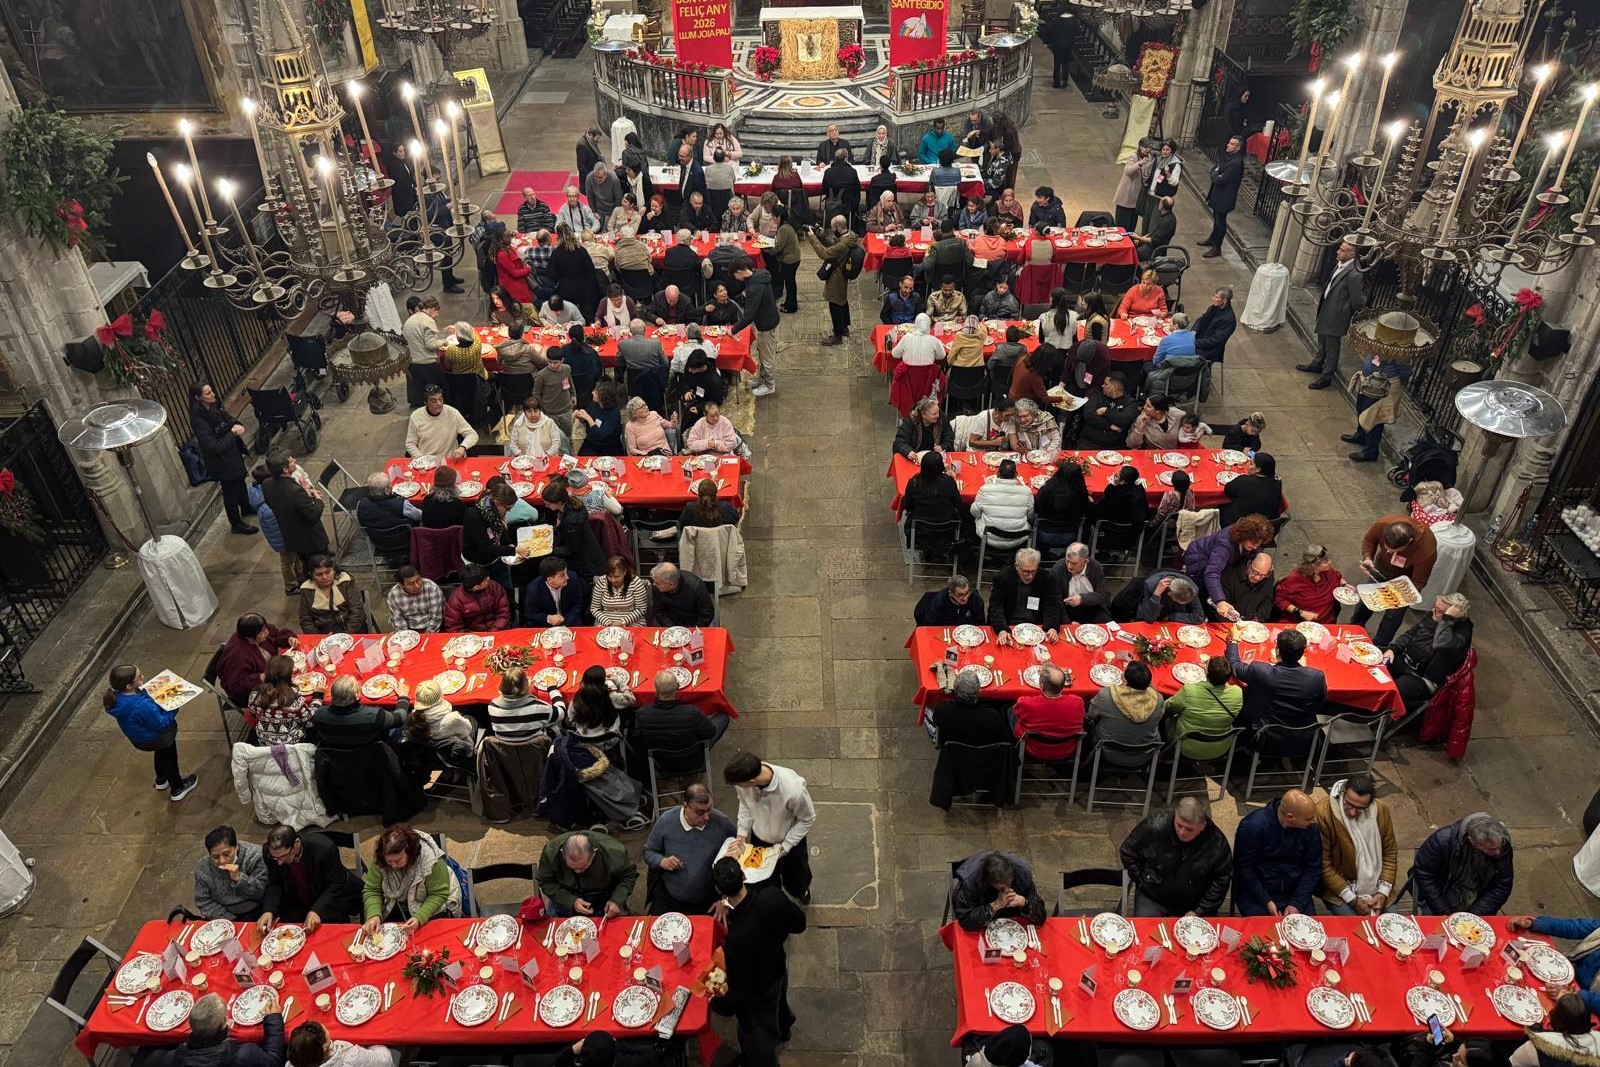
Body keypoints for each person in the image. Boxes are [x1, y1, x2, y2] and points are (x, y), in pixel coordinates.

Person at [710, 856, 806, 1067]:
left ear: (719, 891)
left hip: (757, 994)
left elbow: (739, 989)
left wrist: (718, 1004)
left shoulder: (736, 939)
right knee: (780, 1005)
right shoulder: (772, 896)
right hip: (778, 970)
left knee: (757, 1041)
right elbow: (799, 923)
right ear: (744, 876)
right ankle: (784, 1029)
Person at [724, 751, 816, 903]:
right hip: (759, 839)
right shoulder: (743, 782)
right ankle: (775, 900)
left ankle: (801, 892)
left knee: (796, 877)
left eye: (739, 785)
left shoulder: (793, 790)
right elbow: (745, 804)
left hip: (789, 842)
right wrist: (741, 836)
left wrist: (785, 846)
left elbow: (807, 819)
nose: (737, 787)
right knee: (765, 881)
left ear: (752, 781)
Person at [1118, 797, 1233, 916]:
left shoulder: (1217, 843)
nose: (1182, 832)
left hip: (1195, 902)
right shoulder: (1155, 825)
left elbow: (1221, 881)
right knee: (1144, 929)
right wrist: (1143, 881)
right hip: (1154, 896)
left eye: (1189, 829)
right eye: (1179, 825)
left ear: (1202, 827)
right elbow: (1128, 851)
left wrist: (1200, 911)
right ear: (1175, 815)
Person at [1227, 627, 1327, 756]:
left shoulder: (1261, 671)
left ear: (1277, 650)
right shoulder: (1316, 677)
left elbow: (1234, 664)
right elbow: (1319, 705)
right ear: (1304, 652)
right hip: (1303, 737)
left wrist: (1234, 640)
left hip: (1266, 736)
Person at [643, 783, 735, 915]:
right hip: (669, 899)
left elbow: (740, 859)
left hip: (710, 901)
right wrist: (662, 861)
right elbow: (648, 851)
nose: (707, 817)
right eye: (700, 812)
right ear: (685, 805)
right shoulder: (666, 821)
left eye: (709, 810)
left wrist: (726, 899)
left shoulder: (723, 823)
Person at [1314, 774, 1398, 915]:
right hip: (1340, 889)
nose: (1353, 812)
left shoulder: (1381, 810)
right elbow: (1324, 865)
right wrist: (1353, 900)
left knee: (1393, 926)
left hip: (1377, 885)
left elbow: (1389, 853)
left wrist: (1382, 893)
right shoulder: (1324, 813)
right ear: (1342, 793)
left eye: (1360, 809)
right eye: (1349, 805)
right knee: (1356, 928)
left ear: (1370, 804)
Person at [258, 824, 362, 933]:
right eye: (276, 858)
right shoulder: (270, 854)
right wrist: (269, 910)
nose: (279, 862)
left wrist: (317, 910)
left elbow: (336, 883)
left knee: (330, 934)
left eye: (284, 856)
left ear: (297, 844)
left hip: (326, 898)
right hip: (296, 900)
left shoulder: (324, 849)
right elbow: (275, 883)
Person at [1232, 788, 1321, 915]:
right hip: (1257, 891)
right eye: (1308, 819)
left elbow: (1313, 868)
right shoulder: (1253, 826)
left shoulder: (1310, 829)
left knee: (1306, 930)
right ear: (1290, 817)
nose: (1313, 822)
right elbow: (1244, 868)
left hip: (1295, 891)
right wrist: (1266, 901)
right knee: (1261, 931)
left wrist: (1297, 902)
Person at [360, 823, 461, 935]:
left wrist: (419, 917)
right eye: (389, 861)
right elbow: (372, 890)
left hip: (429, 906)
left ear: (410, 853)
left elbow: (439, 894)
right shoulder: (381, 859)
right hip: (396, 904)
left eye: (398, 861)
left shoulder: (431, 861)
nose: (393, 866)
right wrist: (374, 914)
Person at [1353, 514, 1438, 645]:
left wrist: (1397, 598)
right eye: (1386, 547)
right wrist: (1367, 557)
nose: (1388, 551)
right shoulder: (1383, 523)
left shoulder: (1426, 549)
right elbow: (1369, 540)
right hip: (1381, 567)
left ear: (1409, 541)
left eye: (1394, 550)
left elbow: (1419, 582)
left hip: (1405, 581)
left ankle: (1380, 644)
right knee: (1366, 599)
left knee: (1393, 614)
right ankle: (1355, 628)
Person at [141, 990, 284, 1067]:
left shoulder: (171, 1058)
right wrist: (274, 1019)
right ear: (223, 1023)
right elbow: (274, 1062)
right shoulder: (244, 1054)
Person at [188, 382, 257, 535]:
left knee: (240, 482)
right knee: (230, 492)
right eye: (208, 393)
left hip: (233, 455)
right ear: (198, 398)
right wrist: (233, 434)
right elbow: (213, 446)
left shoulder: (215, 405)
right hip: (222, 462)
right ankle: (236, 523)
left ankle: (246, 508)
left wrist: (237, 425)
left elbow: (228, 419)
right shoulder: (198, 420)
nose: (213, 394)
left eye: (211, 391)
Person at [1384, 593, 1473, 711]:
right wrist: (1393, 649)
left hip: (1424, 679)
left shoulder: (1462, 633)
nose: (1433, 611)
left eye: (1439, 611)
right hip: (1407, 661)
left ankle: (1380, 716)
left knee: (1396, 690)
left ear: (1453, 616)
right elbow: (1411, 633)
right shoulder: (1434, 615)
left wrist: (1446, 620)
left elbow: (1441, 644)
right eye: (1434, 607)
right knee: (1375, 663)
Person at [1413, 813, 1514, 915]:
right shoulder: (1442, 840)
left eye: (1499, 846)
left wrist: (1474, 914)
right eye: (1491, 849)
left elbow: (1503, 885)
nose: (1498, 852)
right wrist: (1444, 911)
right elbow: (1424, 874)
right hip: (1443, 893)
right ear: (1472, 841)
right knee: (1433, 927)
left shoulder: (1503, 846)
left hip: (1480, 897)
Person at [1300, 240, 1367, 389]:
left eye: (1342, 250)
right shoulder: (1340, 263)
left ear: (1352, 254)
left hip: (1336, 314)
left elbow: (1357, 300)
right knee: (1322, 339)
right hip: (1327, 308)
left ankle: (1326, 377)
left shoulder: (1355, 274)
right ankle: (1317, 363)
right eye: (1339, 249)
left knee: (1331, 347)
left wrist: (1342, 311)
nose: (1338, 251)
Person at [632, 667, 731, 769]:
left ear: (656, 690)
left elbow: (638, 739)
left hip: (662, 763)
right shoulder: (691, 712)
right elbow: (710, 732)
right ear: (677, 688)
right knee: (723, 718)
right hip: (693, 759)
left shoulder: (642, 713)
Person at [1183, 515, 1275, 618]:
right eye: (1253, 542)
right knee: (1202, 592)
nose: (1255, 546)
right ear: (1244, 536)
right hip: (1199, 562)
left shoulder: (1250, 539)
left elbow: (1257, 552)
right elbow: (1212, 573)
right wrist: (1220, 600)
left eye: (1259, 543)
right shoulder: (1224, 545)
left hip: (1217, 561)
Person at [538, 830, 638, 917]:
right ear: (562, 853)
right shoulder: (551, 853)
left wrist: (617, 899)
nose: (578, 871)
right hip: (564, 897)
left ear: (594, 853)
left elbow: (628, 876)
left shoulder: (614, 853)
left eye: (583, 867)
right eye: (572, 868)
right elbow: (545, 882)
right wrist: (571, 901)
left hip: (604, 898)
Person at [1086, 660, 1165, 764]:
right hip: (1144, 754)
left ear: (1125, 679)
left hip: (1108, 752)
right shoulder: (1158, 699)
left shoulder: (1107, 695)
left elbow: (1090, 715)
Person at [1164, 656, 1243, 758]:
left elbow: (1168, 707)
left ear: (1207, 673)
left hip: (1187, 747)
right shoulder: (1237, 692)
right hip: (1220, 747)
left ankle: (1166, 756)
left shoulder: (1190, 691)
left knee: (1167, 720)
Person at [261, 450, 329, 568]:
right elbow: (313, 515)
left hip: (293, 537)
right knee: (320, 567)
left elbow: (275, 503)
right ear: (285, 469)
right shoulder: (295, 490)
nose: (295, 461)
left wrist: (304, 497)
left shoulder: (266, 484)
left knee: (306, 564)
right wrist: (318, 500)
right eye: (291, 461)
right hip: (311, 540)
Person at [215, 612, 298, 706]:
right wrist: (260, 677)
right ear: (249, 637)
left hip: (271, 672)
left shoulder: (260, 631)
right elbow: (237, 686)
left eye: (265, 628)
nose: (267, 632)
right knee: (292, 693)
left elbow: (276, 634)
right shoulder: (237, 656)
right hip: (251, 692)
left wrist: (288, 638)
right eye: (262, 632)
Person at [1344, 351, 1413, 463]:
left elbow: (1405, 371)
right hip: (1368, 380)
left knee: (1374, 417)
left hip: (1382, 385)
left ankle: (1370, 451)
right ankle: (1361, 435)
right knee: (1361, 407)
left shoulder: (1399, 349)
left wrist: (1391, 383)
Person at [951, 851, 1048, 929]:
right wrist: (995, 906)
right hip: (984, 921)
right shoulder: (971, 881)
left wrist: (1025, 903)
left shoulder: (1022, 874)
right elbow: (965, 920)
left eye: (1009, 884)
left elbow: (1041, 916)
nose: (1007, 891)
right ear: (990, 882)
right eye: (1002, 888)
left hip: (1014, 922)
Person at [312, 674, 407, 752]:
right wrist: (403, 696)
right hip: (372, 757)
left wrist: (318, 696)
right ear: (357, 696)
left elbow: (313, 712)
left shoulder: (319, 716)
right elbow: (400, 718)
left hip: (338, 761)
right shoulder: (374, 716)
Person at [806, 215, 861, 347]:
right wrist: (821, 236)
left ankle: (837, 335)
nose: (832, 230)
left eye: (833, 228)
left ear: (838, 228)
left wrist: (812, 237)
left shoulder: (843, 245)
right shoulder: (850, 236)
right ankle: (844, 327)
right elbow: (833, 246)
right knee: (842, 300)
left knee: (835, 304)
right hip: (843, 274)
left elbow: (824, 253)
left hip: (837, 276)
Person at [1010, 665, 1086, 761]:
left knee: (1009, 710)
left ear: (1041, 686)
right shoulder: (1078, 702)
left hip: (1034, 750)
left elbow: (1016, 711)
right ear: (1063, 687)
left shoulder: (1027, 704)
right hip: (1066, 750)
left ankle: (1009, 750)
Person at [730, 260, 782, 397]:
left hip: (766, 324)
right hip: (768, 319)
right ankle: (763, 379)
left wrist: (733, 330)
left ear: (740, 272)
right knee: (762, 353)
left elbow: (748, 316)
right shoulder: (760, 274)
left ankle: (770, 385)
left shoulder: (753, 287)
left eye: (735, 275)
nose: (736, 279)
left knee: (767, 356)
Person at [194, 825, 268, 921]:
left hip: (257, 908)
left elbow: (261, 891)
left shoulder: (255, 856)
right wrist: (229, 920)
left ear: (236, 847)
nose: (222, 861)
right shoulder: (203, 867)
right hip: (224, 914)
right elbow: (203, 901)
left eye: (226, 854)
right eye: (215, 857)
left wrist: (239, 878)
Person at [988, 550, 1064, 642]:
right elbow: (996, 607)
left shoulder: (1046, 578)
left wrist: (1051, 627)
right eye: (1026, 572)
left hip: (1036, 627)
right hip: (1009, 626)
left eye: (1033, 571)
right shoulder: (1002, 578)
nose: (1030, 576)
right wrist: (1002, 629)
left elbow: (1052, 604)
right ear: (1017, 567)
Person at [245, 656, 316, 746]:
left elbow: (253, 712)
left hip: (264, 743)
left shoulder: (255, 693)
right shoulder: (293, 699)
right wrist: (318, 698)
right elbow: (310, 722)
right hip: (291, 745)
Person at [1275, 544, 1349, 624]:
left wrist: (1344, 585)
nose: (1330, 562)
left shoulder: (1328, 571)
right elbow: (1280, 600)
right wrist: (1300, 612)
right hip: (1300, 623)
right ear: (1313, 565)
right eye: (1325, 562)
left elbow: (1338, 577)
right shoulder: (1294, 578)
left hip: (1326, 623)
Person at [486, 666, 560, 742]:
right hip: (537, 749)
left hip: (507, 751)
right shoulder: (539, 708)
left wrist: (525, 689)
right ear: (525, 687)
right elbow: (561, 713)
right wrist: (552, 688)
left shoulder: (492, 707)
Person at [296, 553, 365, 635]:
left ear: (334, 570)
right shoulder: (306, 590)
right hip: (323, 635)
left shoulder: (346, 582)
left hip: (351, 631)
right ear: (311, 574)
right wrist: (318, 638)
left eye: (328, 572)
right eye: (319, 574)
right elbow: (306, 620)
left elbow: (357, 612)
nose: (324, 577)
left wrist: (346, 634)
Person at [971, 458, 1034, 546]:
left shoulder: (985, 490)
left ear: (997, 474)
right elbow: (1029, 515)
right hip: (1017, 538)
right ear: (1016, 474)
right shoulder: (1027, 492)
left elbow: (974, 513)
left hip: (989, 537)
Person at [405, 386, 478, 459]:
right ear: (425, 402)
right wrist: (421, 459)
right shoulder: (416, 416)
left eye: (440, 399)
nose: (439, 403)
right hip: (426, 459)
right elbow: (410, 444)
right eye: (433, 401)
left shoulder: (452, 413)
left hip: (450, 459)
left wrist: (462, 447)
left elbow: (472, 434)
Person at [284, 1020, 396, 1067]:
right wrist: (372, 1041)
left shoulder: (292, 1063)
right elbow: (386, 1060)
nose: (328, 1030)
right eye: (326, 1030)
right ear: (324, 1047)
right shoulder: (351, 1056)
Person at [1201, 136, 1245, 256]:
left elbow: (1220, 179)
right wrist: (1216, 173)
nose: (1228, 145)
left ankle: (1217, 247)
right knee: (1216, 219)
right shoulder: (1228, 156)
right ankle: (1212, 238)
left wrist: (1216, 174)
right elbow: (1215, 169)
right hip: (1218, 195)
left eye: (1231, 144)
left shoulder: (1236, 163)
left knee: (1221, 222)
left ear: (1238, 147)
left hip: (1225, 198)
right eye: (1229, 143)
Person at [1033, 465, 1091, 551]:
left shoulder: (1048, 489)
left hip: (1044, 534)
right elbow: (1086, 513)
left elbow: (1036, 507)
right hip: (1070, 535)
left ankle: (1043, 553)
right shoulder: (1081, 493)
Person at [402, 295, 447, 404]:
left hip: (412, 361)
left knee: (419, 390)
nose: (437, 315)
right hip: (426, 362)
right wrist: (444, 342)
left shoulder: (411, 319)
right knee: (437, 389)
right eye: (436, 312)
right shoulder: (428, 321)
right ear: (432, 309)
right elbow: (431, 344)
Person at [518, 555, 583, 628]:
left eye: (566, 572)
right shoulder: (533, 589)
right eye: (562, 575)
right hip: (546, 625)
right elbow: (530, 613)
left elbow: (577, 604)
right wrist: (548, 618)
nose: (567, 577)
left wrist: (567, 623)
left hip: (569, 620)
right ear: (549, 579)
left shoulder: (573, 578)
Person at [1077, 373, 1139, 448]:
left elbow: (1125, 420)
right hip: (1089, 443)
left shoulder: (1130, 402)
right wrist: (1109, 425)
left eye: (1106, 384)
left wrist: (1105, 411)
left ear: (1114, 387)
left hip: (1115, 447)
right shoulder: (1097, 396)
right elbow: (1088, 414)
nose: (1102, 386)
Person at [1122, 570, 1204, 624]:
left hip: (1174, 623)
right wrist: (1156, 595)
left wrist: (1170, 617)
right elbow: (1149, 618)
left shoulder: (1191, 589)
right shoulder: (1151, 585)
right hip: (1156, 619)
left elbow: (1199, 617)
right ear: (1170, 595)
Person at [590, 555, 651, 627]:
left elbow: (641, 609)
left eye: (616, 576)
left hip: (633, 622)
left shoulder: (635, 582)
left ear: (625, 572)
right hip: (605, 622)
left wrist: (623, 622)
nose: (613, 580)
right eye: (609, 576)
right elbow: (594, 608)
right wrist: (608, 623)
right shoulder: (601, 582)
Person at [649, 562, 715, 626]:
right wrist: (673, 629)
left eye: (657, 583)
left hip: (694, 622)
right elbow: (659, 611)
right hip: (670, 622)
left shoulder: (696, 586)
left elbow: (707, 614)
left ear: (671, 584)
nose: (654, 584)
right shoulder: (658, 586)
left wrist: (694, 630)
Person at [1218, 552, 1276, 624]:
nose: (1257, 578)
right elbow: (1222, 605)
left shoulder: (1268, 577)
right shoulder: (1230, 575)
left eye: (1262, 575)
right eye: (1255, 572)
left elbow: (1267, 601)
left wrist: (1256, 620)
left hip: (1252, 622)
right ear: (1249, 564)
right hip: (1229, 621)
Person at [385, 566, 444, 633]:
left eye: (418, 580)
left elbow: (436, 618)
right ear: (401, 585)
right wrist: (406, 636)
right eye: (410, 584)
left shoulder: (432, 588)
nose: (417, 585)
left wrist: (427, 635)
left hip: (430, 627)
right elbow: (398, 621)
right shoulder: (393, 595)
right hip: (408, 628)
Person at [914, 575, 986, 628]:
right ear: (950, 593)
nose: (965, 598)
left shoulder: (976, 599)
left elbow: (981, 625)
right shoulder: (939, 602)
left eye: (967, 593)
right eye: (960, 595)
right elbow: (931, 627)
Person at [1193, 286, 1237, 364]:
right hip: (1200, 341)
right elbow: (1201, 320)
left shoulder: (1229, 320)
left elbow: (1215, 341)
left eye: (1216, 297)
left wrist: (1194, 342)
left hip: (1210, 350)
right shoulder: (1213, 307)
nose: (1213, 299)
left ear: (1224, 300)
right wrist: (1192, 332)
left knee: (1181, 352)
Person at [1113, 145, 1151, 232]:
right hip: (1126, 197)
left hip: (1136, 198)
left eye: (1150, 148)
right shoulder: (1133, 156)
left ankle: (1130, 242)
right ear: (1140, 147)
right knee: (1122, 226)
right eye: (1145, 147)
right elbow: (1128, 171)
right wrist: (1140, 163)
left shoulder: (1149, 158)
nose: (1148, 149)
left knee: (1131, 226)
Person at [1135, 196, 1178, 265]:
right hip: (1157, 245)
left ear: (1162, 206)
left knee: (1133, 253)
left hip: (1155, 249)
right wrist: (1143, 238)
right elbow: (1154, 232)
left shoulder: (1166, 222)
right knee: (1134, 243)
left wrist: (1138, 237)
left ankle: (1135, 272)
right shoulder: (1170, 217)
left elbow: (1153, 240)